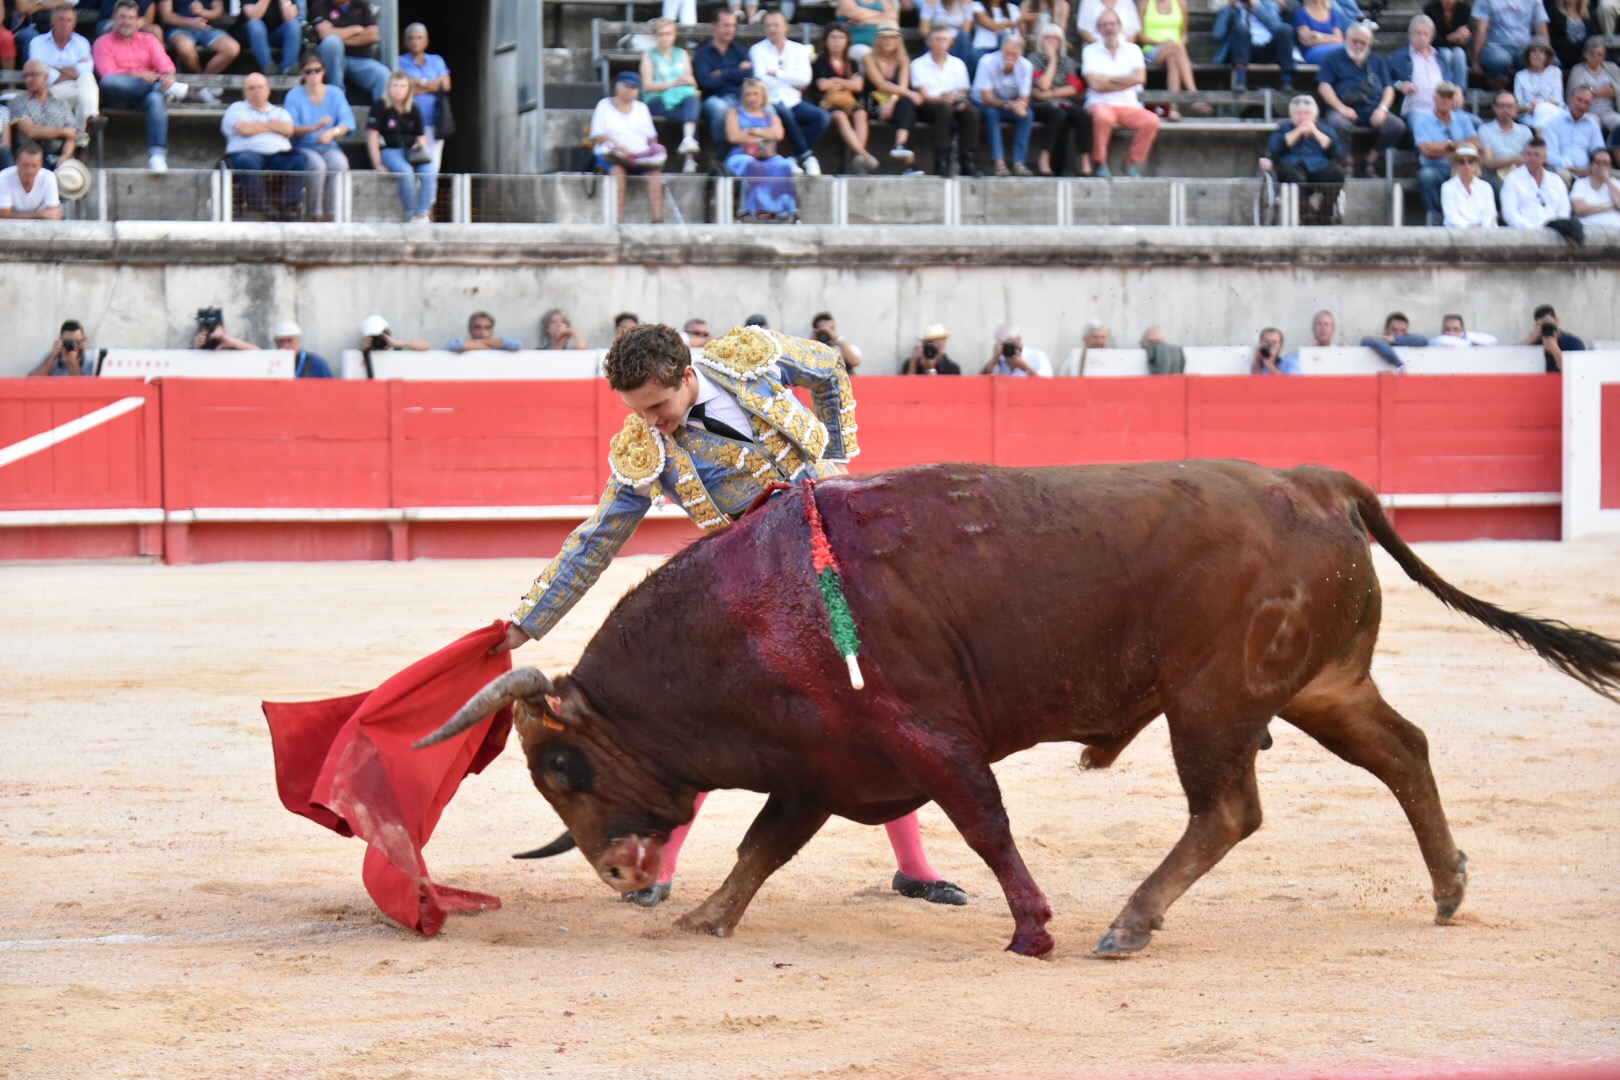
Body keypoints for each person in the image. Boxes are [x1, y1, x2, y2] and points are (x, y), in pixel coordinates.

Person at [494, 323, 968, 910]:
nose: (651, 422)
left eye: (658, 407)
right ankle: (663, 870)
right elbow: (595, 541)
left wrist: (836, 458)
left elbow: (828, 368)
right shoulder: (645, 451)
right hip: (759, 580)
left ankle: (915, 868)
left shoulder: (748, 359)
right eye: (638, 411)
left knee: (877, 693)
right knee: (709, 713)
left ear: (686, 375)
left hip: (839, 551)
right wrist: (526, 621)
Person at [94, 0, 180, 172]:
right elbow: (107, 73)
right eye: (122, 17)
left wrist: (169, 76)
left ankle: (157, 156)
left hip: (143, 97)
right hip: (118, 96)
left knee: (156, 99)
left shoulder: (149, 40)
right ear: (114, 17)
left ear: (137, 20)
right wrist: (138, 75)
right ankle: (160, 88)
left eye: (131, 18)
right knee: (110, 81)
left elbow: (165, 65)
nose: (126, 21)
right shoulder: (102, 42)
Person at [1318, 23, 1407, 179]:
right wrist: (1341, 108)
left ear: (1369, 44)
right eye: (1355, 41)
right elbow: (1323, 86)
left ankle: (1370, 161)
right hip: (1344, 108)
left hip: (1373, 109)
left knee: (1397, 126)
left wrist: (1382, 109)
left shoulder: (1378, 61)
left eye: (1363, 42)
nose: (1358, 45)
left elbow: (1388, 89)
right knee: (1337, 123)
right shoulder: (1333, 58)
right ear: (1347, 39)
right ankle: (1347, 163)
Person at [1082, 9, 1158, 178]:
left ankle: (1131, 163)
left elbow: (1140, 78)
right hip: (1100, 103)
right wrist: (1126, 80)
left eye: (1112, 24)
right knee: (1103, 117)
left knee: (1151, 121)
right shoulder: (1090, 50)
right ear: (1099, 29)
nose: (1109, 28)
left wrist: (1107, 80)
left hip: (1128, 104)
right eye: (1104, 25)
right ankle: (1101, 163)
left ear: (1120, 26)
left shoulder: (1133, 49)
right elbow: (1094, 84)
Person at [750, 11, 826, 175]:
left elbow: (805, 79)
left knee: (823, 117)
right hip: (770, 101)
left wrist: (777, 73)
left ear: (786, 27)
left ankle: (794, 157)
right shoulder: (757, 49)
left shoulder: (798, 49)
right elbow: (760, 81)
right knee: (784, 112)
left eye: (776, 25)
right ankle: (807, 156)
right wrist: (791, 80)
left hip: (793, 100)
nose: (772, 29)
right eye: (768, 26)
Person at [223, 71, 308, 217]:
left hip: (279, 154)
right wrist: (274, 126)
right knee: (247, 161)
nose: (257, 91)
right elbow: (246, 129)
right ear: (245, 92)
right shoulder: (236, 108)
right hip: (247, 153)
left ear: (268, 90)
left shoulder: (279, 111)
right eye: (252, 88)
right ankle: (259, 207)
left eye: (260, 87)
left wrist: (257, 126)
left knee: (300, 160)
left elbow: (288, 129)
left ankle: (290, 208)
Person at [284, 51, 352, 221]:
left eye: (317, 70)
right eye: (308, 71)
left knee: (339, 163)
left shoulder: (335, 93)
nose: (313, 74)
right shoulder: (293, 95)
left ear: (324, 71)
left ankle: (333, 214)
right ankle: (313, 214)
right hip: (303, 146)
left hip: (329, 146)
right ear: (302, 74)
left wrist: (332, 132)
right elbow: (291, 128)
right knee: (317, 165)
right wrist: (315, 128)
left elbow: (347, 122)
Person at [590, 72, 665, 225]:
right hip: (612, 155)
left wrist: (654, 152)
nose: (629, 91)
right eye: (626, 86)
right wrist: (618, 146)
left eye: (633, 88)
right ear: (617, 87)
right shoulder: (604, 105)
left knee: (655, 173)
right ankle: (618, 221)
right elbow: (598, 135)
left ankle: (657, 220)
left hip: (639, 156)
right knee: (618, 172)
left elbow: (652, 137)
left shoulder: (642, 108)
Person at [912, 26, 980, 177]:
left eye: (944, 40)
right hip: (929, 105)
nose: (941, 43)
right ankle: (941, 159)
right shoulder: (918, 63)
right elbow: (924, 95)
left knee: (972, 111)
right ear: (929, 42)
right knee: (945, 108)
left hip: (952, 102)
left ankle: (967, 160)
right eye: (937, 39)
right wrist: (943, 99)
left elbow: (962, 91)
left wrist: (961, 101)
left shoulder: (957, 63)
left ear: (950, 43)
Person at [813, 23, 878, 172]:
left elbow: (858, 86)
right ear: (826, 40)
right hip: (828, 104)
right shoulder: (821, 62)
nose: (837, 41)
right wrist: (848, 83)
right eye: (833, 37)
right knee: (840, 116)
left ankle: (858, 157)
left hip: (849, 102)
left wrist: (835, 81)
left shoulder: (851, 63)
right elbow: (822, 85)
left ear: (847, 40)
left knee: (861, 114)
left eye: (841, 37)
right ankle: (863, 154)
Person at [641, 18, 702, 173]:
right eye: (660, 34)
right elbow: (648, 86)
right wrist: (673, 84)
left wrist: (691, 82)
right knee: (692, 117)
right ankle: (689, 158)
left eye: (668, 34)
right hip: (657, 99)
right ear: (655, 36)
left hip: (680, 96)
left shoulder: (682, 54)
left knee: (692, 98)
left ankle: (688, 141)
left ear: (674, 35)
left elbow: (688, 81)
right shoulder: (649, 55)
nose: (664, 38)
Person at [28, 6, 97, 143]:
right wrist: (73, 70)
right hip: (49, 90)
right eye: (61, 20)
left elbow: (87, 69)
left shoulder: (81, 42)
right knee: (85, 96)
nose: (65, 24)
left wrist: (55, 68)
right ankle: (87, 128)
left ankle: (87, 122)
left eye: (69, 20)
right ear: (52, 22)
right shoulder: (38, 42)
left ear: (74, 24)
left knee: (87, 78)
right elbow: (40, 74)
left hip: (77, 86)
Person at [1414, 82, 1482, 219]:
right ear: (1435, 98)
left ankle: (1475, 216)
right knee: (1426, 176)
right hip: (1436, 168)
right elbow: (1426, 151)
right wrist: (1458, 146)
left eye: (1449, 96)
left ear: (1453, 100)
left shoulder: (1463, 118)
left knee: (1479, 172)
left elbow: (1475, 144)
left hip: (1463, 165)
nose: (1445, 100)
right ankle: (1438, 217)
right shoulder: (1422, 122)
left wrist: (1445, 146)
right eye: (1442, 96)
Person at [1029, 23, 1091, 176]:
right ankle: (1044, 157)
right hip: (1039, 104)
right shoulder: (1033, 59)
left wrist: (1050, 94)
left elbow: (1074, 88)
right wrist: (1053, 61)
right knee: (1057, 114)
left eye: (1056, 38)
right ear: (1041, 40)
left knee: (1082, 115)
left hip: (1060, 101)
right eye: (1048, 38)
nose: (1052, 41)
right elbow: (1043, 84)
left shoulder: (1067, 61)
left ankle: (1085, 159)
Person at [863, 22, 923, 170]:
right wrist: (910, 94)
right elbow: (880, 84)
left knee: (907, 107)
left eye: (892, 37)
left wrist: (892, 101)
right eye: (885, 37)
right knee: (909, 107)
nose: (888, 40)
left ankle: (900, 144)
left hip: (895, 103)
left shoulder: (904, 59)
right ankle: (909, 162)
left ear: (898, 40)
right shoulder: (869, 58)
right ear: (878, 39)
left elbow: (902, 86)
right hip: (875, 103)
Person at [974, 34, 1034, 175]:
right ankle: (999, 163)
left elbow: (1024, 97)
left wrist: (1021, 106)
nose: (1009, 57)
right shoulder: (987, 62)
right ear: (1001, 50)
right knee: (992, 113)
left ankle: (1019, 162)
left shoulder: (1026, 66)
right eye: (1006, 53)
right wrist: (1010, 104)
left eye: (1014, 54)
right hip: (983, 103)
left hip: (1009, 104)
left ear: (1021, 54)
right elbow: (987, 98)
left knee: (1027, 114)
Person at [694, 8, 752, 153]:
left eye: (733, 25)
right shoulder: (703, 53)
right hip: (714, 98)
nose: (730, 30)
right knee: (720, 109)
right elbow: (706, 82)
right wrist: (736, 72)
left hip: (739, 96)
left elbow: (748, 75)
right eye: (726, 25)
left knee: (766, 108)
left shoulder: (740, 51)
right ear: (714, 26)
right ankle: (722, 157)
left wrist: (722, 73)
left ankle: (757, 154)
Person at [313, 0, 389, 106]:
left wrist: (338, 34)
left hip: (360, 60)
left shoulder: (362, 4)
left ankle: (380, 112)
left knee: (383, 74)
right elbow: (325, 34)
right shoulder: (321, 4)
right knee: (332, 42)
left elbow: (373, 35)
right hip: (333, 60)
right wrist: (355, 30)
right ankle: (337, 99)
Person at [1391, 15, 1469, 117]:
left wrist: (1457, 88)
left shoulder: (1440, 58)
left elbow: (1449, 81)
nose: (1421, 38)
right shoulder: (1397, 58)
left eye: (1425, 34)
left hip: (1443, 111)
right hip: (1416, 111)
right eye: (1418, 33)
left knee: (1475, 122)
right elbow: (1384, 81)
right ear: (1410, 35)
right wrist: (1400, 85)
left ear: (1431, 37)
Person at [1139, 0, 1205, 119]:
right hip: (1152, 49)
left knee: (1173, 59)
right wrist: (1162, 42)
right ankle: (1193, 94)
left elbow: (1184, 35)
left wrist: (1177, 45)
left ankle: (1173, 109)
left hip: (1175, 50)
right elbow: (1141, 35)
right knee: (1176, 49)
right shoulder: (1145, 4)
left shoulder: (1181, 4)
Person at [1215, 0, 1299, 93]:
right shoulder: (1230, 9)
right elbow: (1218, 34)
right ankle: (1241, 80)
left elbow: (1277, 26)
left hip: (1267, 49)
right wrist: (1230, 13)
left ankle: (1287, 81)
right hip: (1242, 50)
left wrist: (1256, 7)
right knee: (1240, 29)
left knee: (1286, 29)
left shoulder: (1268, 5)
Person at [400, 23, 451, 171]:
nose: (415, 41)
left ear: (426, 41)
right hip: (410, 123)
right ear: (405, 42)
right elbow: (402, 90)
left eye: (419, 37)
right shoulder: (399, 61)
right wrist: (433, 85)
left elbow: (446, 86)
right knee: (413, 165)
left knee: (433, 167)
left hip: (435, 121)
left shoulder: (436, 60)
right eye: (411, 38)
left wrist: (418, 82)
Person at [1268, 93, 1345, 187]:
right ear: (1292, 116)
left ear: (1314, 115)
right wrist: (1298, 131)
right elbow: (1274, 148)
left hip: (1319, 166)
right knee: (1292, 174)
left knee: (1337, 172)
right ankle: (1300, 196)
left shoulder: (1325, 129)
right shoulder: (1283, 128)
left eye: (1306, 113)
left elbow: (1338, 151)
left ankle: (1327, 197)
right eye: (1298, 114)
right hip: (1292, 166)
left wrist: (1314, 131)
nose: (1302, 117)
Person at [159, 0, 240, 87]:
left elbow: (219, 12)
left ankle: (201, 84)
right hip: (179, 28)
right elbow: (166, 16)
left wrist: (203, 12)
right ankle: (202, 84)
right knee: (185, 47)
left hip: (205, 28)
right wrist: (190, 22)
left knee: (232, 48)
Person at [15, 59, 78, 167]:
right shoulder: (18, 101)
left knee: (69, 173)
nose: (29, 79)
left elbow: (72, 134)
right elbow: (31, 132)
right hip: (30, 158)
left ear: (46, 77)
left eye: (33, 75)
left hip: (58, 157)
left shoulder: (61, 102)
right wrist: (63, 131)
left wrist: (65, 156)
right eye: (26, 76)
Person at [1472, 0, 1549, 87]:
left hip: (1524, 48)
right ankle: (1499, 92)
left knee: (1551, 63)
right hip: (1495, 47)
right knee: (1499, 61)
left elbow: (1541, 30)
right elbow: (1481, 30)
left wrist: (1548, 56)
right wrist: (1475, 61)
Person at [1500, 135, 1572, 226]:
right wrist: (1527, 228)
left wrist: (1559, 226)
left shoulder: (1556, 180)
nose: (1532, 159)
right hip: (1524, 230)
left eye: (1536, 155)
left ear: (1545, 158)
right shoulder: (1513, 179)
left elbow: (1564, 209)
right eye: (1528, 154)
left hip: (1555, 230)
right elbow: (1509, 214)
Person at [1478, 88, 1534, 193]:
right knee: (1507, 189)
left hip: (1520, 172)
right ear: (1494, 108)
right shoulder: (1485, 130)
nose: (1505, 110)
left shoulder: (1525, 131)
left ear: (1516, 108)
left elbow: (1530, 159)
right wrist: (1514, 159)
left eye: (1509, 106)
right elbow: (1489, 163)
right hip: (1495, 173)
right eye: (1501, 106)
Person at [1545, 86, 1605, 181]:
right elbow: (1550, 156)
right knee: (1563, 175)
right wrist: (1573, 168)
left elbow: (1599, 151)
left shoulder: (1592, 124)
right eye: (1579, 100)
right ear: (1570, 99)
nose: (1582, 106)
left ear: (1591, 105)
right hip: (1561, 172)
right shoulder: (1553, 122)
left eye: (1586, 102)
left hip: (1588, 173)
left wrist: (1593, 169)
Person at [1566, 36, 1620, 136]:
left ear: (1604, 55)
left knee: (1618, 122)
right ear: (1585, 54)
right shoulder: (1577, 70)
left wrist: (1592, 91)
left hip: (1609, 111)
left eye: (1599, 54)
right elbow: (1575, 94)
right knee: (1592, 123)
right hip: (1588, 111)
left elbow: (1617, 90)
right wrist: (1603, 91)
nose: (1595, 57)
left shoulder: (1612, 68)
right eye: (1592, 53)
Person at [237, 0, 302, 77]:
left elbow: (290, 16)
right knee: (255, 25)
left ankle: (288, 67)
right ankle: (268, 67)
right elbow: (254, 16)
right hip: (254, 37)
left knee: (293, 25)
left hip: (277, 34)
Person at [0, 140, 61, 218]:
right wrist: (39, 214)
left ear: (41, 165)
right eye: (25, 165)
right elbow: (4, 215)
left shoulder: (48, 177)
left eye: (34, 166)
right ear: (17, 163)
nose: (30, 171)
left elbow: (54, 213)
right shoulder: (4, 176)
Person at [1441, 144, 1500, 225]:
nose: (1467, 166)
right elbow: (1451, 216)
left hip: (1484, 230)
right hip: (1457, 231)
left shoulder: (1486, 187)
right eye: (1462, 162)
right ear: (1456, 165)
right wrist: (1468, 227)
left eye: (1470, 161)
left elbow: (1490, 213)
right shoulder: (1447, 187)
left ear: (1476, 164)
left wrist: (1481, 228)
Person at [1513, 37, 1563, 127]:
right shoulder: (1520, 76)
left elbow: (1556, 98)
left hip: (1551, 110)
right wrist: (1530, 109)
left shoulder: (1554, 72)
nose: (1537, 54)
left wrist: (1540, 108)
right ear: (1528, 55)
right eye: (1533, 51)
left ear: (1546, 56)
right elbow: (1518, 104)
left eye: (1541, 51)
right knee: (1537, 122)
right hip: (1528, 113)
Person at [1425, 0, 1477, 84]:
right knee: (1446, 54)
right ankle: (1446, 88)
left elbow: (1468, 32)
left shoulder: (1464, 9)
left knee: (1459, 54)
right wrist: (1450, 38)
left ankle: (1461, 89)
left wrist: (1464, 34)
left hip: (1458, 46)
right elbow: (1431, 38)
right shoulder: (1430, 9)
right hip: (1437, 47)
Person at [1522, 302, 1583, 371]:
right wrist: (1530, 340)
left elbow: (1578, 371)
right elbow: (1514, 359)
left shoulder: (1573, 342)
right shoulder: (1537, 343)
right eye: (1542, 325)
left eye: (1548, 323)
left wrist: (1554, 349)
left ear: (1556, 320)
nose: (1546, 327)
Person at [918, 0, 976, 68]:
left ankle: (961, 68)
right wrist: (941, 39)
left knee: (964, 37)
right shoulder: (932, 2)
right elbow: (924, 30)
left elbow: (966, 29)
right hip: (937, 38)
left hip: (956, 42)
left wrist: (949, 41)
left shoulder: (966, 2)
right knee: (937, 42)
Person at [1359, 311, 1428, 368]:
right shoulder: (1377, 340)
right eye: (1394, 330)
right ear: (1386, 329)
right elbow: (1371, 342)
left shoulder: (1410, 340)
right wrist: (1399, 364)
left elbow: (1423, 340)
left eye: (1403, 331)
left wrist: (1394, 339)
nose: (1399, 334)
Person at [1570, 146, 1620, 224]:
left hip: (1614, 228)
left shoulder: (1616, 183)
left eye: (1605, 163)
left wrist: (1608, 181)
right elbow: (1579, 209)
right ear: (1591, 165)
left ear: (1611, 167)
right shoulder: (1581, 183)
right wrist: (1608, 206)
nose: (1601, 166)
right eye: (1598, 162)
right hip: (1588, 227)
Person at [981, 323, 1053, 375]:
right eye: (1002, 344)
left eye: (1008, 343)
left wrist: (1025, 368)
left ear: (1018, 340)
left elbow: (1047, 385)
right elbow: (979, 382)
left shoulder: (1037, 356)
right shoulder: (1000, 361)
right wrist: (993, 361)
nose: (1007, 348)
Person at [1292, 0, 1349, 65]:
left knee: (1348, 50)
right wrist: (1331, 38)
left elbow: (1339, 39)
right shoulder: (1301, 14)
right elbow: (1306, 40)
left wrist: (1317, 35)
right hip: (1312, 52)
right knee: (1343, 53)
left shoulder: (1333, 14)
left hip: (1337, 49)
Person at [28, 319, 92, 375]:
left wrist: (73, 363)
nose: (72, 345)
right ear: (60, 340)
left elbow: (81, 384)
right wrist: (52, 357)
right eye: (67, 341)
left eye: (76, 342)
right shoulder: (52, 356)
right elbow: (31, 381)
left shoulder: (90, 359)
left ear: (83, 341)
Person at [1545, 0, 1591, 71]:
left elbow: (1593, 36)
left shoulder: (1588, 13)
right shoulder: (1553, 11)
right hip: (1561, 57)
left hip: (1584, 59)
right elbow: (1552, 36)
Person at [447, 311, 522, 353]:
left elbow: (517, 344)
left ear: (492, 331)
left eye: (487, 328)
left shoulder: (497, 348)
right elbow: (452, 345)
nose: (482, 332)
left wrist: (481, 342)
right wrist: (481, 346)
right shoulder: (464, 347)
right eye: (477, 328)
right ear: (470, 330)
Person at [191, 309, 258, 350]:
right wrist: (195, 348)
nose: (208, 331)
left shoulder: (228, 344)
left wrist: (232, 343)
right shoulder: (197, 346)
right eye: (205, 326)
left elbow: (258, 353)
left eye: (212, 326)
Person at [359, 314, 429, 352]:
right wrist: (365, 351)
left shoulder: (397, 348)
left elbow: (426, 346)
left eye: (381, 335)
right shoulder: (366, 353)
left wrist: (398, 344)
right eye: (374, 336)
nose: (378, 340)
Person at [1430, 313, 1500, 344]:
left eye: (1455, 329)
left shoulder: (1469, 339)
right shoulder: (1438, 342)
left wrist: (1465, 337)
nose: (1451, 333)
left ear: (1462, 330)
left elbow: (1493, 340)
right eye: (1447, 329)